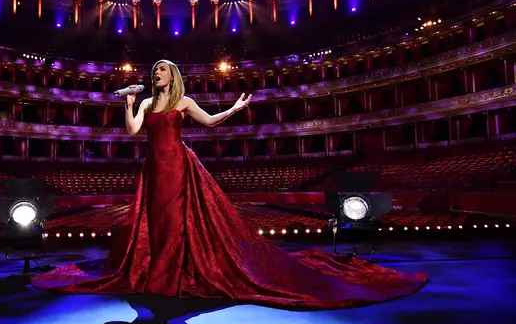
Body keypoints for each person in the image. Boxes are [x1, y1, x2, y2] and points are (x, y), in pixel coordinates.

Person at [31, 59, 427, 309]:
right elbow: (134, 131)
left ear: (174, 76)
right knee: (157, 222)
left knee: (178, 220)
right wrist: (128, 103)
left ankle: (174, 276)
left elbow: (208, 122)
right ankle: (157, 273)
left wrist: (235, 109)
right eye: (154, 73)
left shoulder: (182, 103)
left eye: (163, 71)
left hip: (179, 166)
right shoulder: (147, 104)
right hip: (154, 167)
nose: (157, 75)